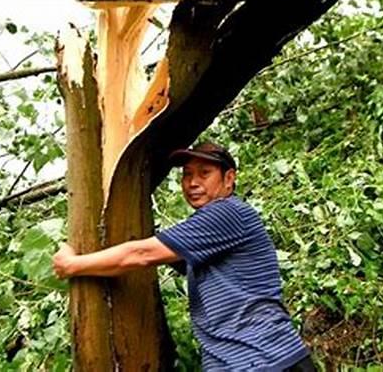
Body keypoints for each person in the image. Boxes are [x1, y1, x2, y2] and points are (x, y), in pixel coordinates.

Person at [52, 141, 316, 371]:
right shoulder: (207, 235)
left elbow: (141, 254)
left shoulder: (227, 213)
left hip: (264, 359)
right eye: (187, 174)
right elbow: (153, 253)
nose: (192, 183)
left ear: (229, 178)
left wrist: (74, 264)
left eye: (204, 173)